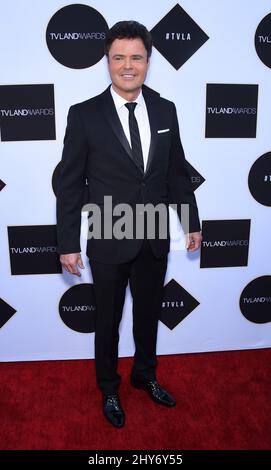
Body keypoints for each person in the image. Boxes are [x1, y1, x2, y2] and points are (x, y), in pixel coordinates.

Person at [57, 20, 202, 428]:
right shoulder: (84, 115)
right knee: (107, 321)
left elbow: (176, 173)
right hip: (109, 235)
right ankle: (108, 387)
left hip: (154, 234)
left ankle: (145, 375)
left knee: (148, 315)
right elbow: (69, 185)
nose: (127, 65)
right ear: (107, 61)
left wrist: (190, 221)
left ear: (148, 61)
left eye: (136, 57)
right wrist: (68, 242)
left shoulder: (165, 109)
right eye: (118, 57)